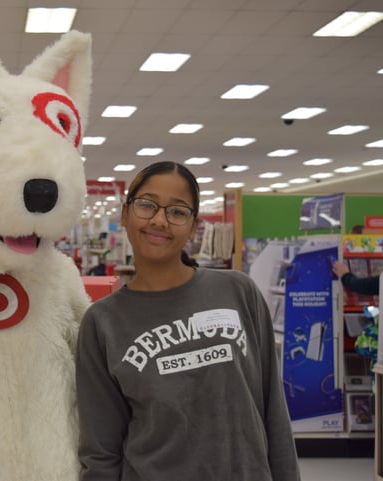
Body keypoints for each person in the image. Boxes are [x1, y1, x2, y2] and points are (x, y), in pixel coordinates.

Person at [76, 161, 300, 481]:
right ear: (125, 214)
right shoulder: (102, 323)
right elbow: (100, 452)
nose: (159, 220)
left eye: (177, 212)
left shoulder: (238, 292)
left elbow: (274, 414)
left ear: (193, 227)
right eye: (146, 205)